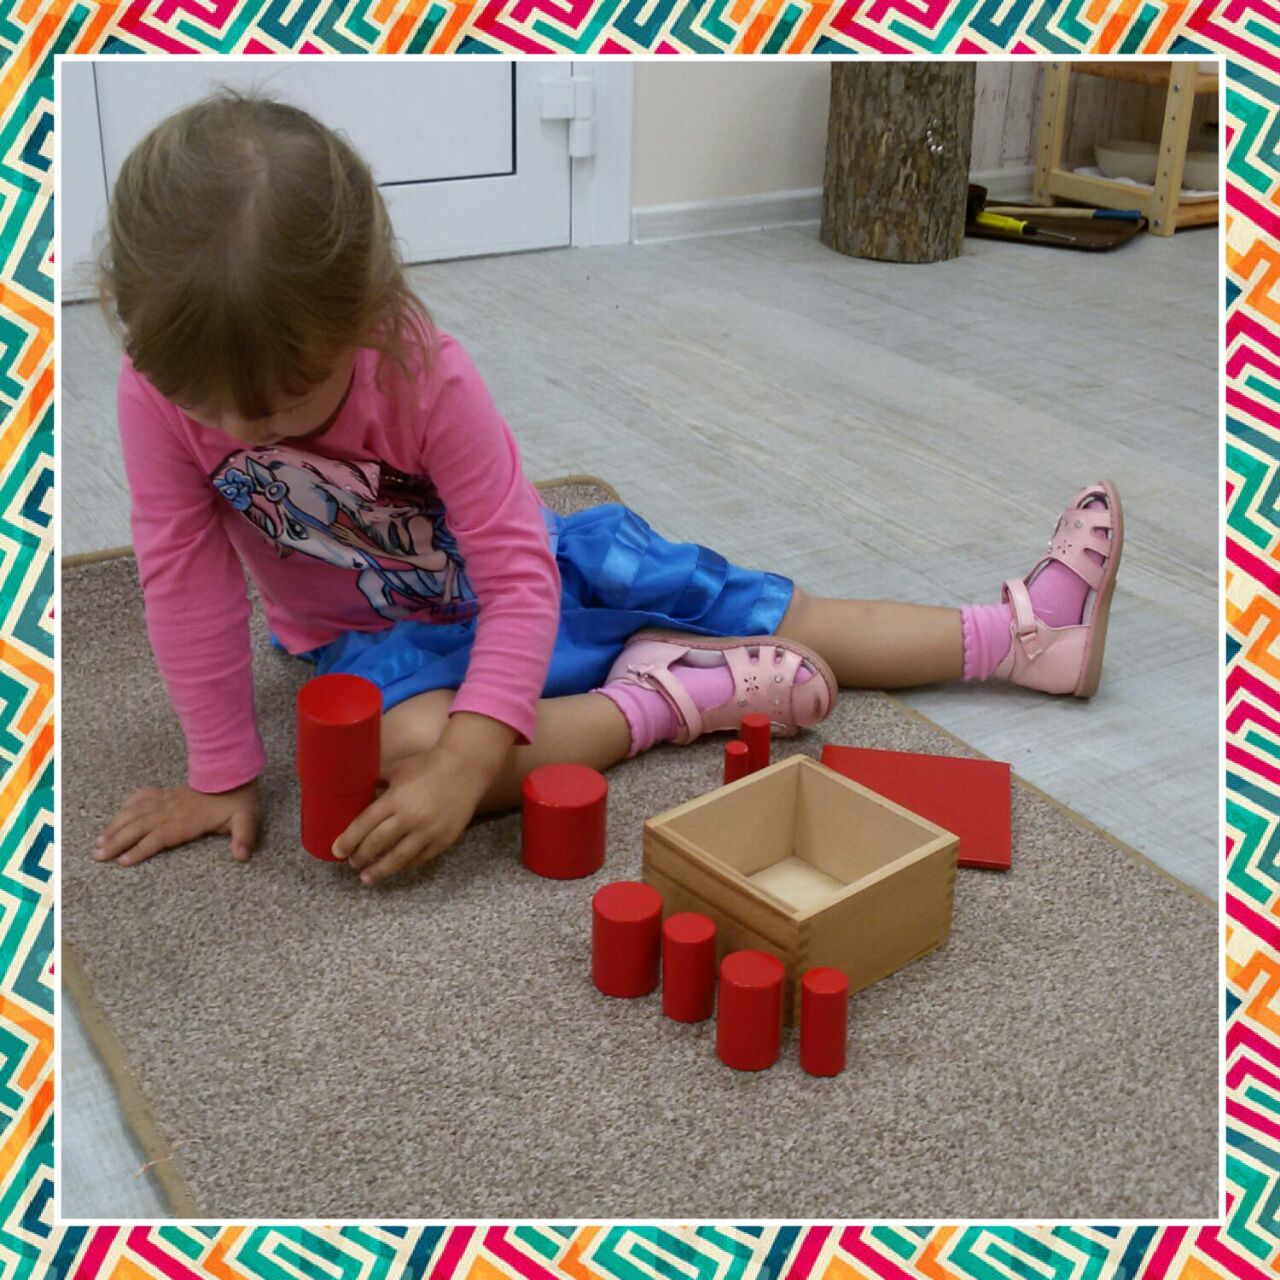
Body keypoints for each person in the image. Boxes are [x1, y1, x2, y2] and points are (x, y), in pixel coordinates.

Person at [92, 90, 1122, 887]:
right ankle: (669, 697)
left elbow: (516, 575)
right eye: (210, 405)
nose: (246, 429)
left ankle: (1022, 636)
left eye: (286, 400)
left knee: (777, 608)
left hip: (549, 575)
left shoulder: (423, 372)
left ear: (367, 315)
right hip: (375, 641)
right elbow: (186, 584)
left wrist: (474, 757)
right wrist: (222, 772)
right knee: (397, 759)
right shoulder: (154, 394)